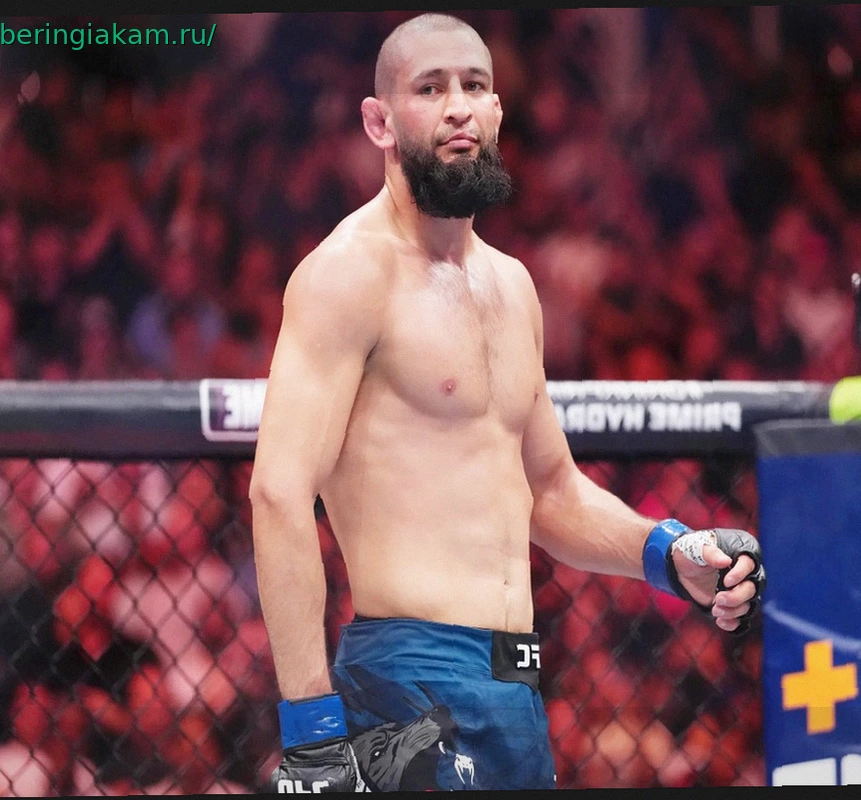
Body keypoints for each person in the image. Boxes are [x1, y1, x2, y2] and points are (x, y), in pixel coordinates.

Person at [249, 13, 765, 792]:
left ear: (496, 111)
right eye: (430, 89)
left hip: (513, 684)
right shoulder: (347, 275)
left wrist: (669, 553)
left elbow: (550, 492)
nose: (458, 106)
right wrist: (312, 733)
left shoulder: (513, 286)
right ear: (379, 122)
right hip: (405, 681)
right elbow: (278, 493)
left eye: (474, 86)